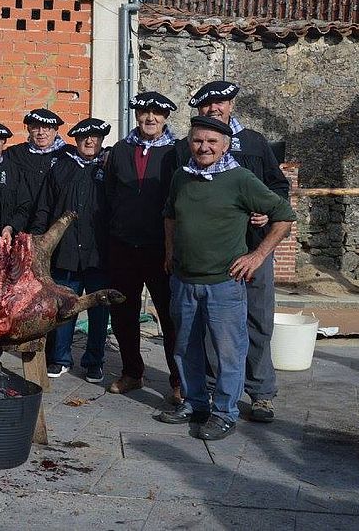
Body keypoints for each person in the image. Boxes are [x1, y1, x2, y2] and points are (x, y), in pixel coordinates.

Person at [158, 116, 295, 440]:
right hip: (184, 281)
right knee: (185, 348)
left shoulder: (241, 179)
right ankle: (194, 403)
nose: (203, 147)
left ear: (225, 146)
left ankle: (224, 413)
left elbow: (284, 217)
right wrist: (169, 251)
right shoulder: (182, 176)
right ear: (189, 143)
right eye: (197, 141)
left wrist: (257, 256)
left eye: (211, 142)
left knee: (228, 352)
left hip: (224, 284)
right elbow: (170, 215)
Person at [104, 92, 181, 401]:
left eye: (156, 113)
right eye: (144, 112)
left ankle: (178, 381)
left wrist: (173, 246)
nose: (150, 118)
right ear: (136, 115)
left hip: (160, 248)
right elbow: (110, 195)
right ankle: (132, 373)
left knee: (170, 317)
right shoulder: (121, 150)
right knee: (123, 313)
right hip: (123, 246)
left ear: (165, 117)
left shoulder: (176, 152)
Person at [32, 118, 111, 382]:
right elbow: (44, 206)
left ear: (101, 140)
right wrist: (39, 241)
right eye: (84, 137)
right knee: (65, 307)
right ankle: (60, 358)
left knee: (98, 309)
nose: (89, 141)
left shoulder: (109, 167)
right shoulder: (61, 167)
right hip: (66, 252)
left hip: (98, 253)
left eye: (95, 136)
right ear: (75, 140)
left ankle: (94, 361)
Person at [5, 108, 67, 230]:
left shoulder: (68, 154)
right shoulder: (16, 153)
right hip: (21, 224)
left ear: (56, 131)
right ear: (29, 130)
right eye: (35, 128)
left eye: (46, 128)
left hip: (55, 225)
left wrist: (106, 154)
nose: (41, 132)